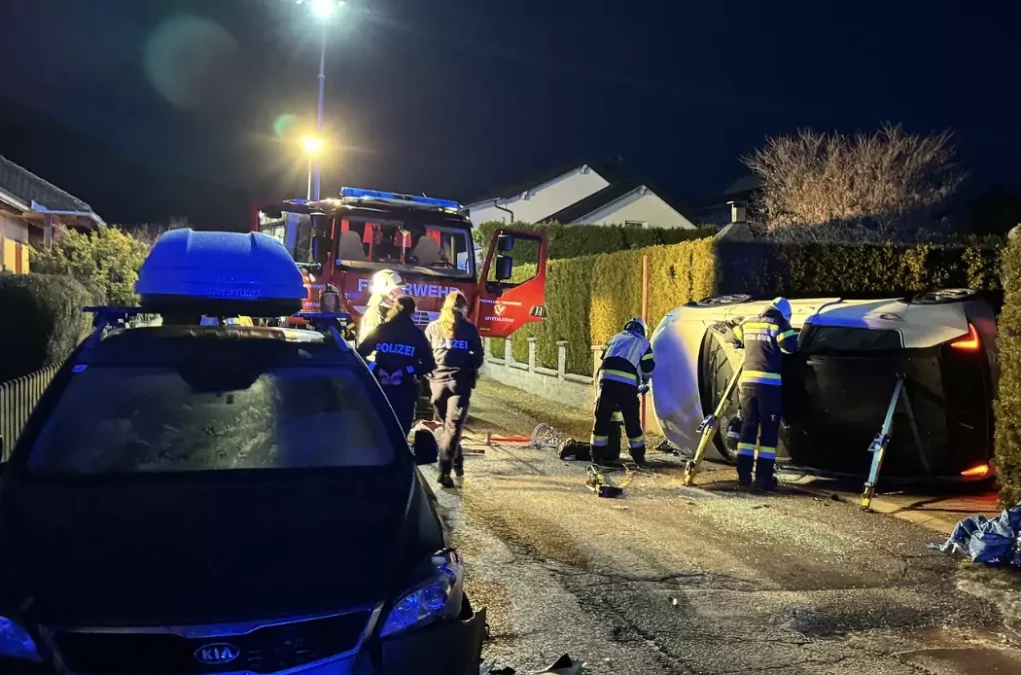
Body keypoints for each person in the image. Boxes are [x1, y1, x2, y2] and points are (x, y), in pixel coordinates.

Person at [731, 297, 798, 490]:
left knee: (748, 426)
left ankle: (743, 475)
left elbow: (732, 338)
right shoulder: (779, 323)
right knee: (768, 432)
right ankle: (763, 477)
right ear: (785, 314)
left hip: (747, 384)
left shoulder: (749, 322)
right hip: (768, 387)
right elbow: (790, 346)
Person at [425, 291, 484, 487]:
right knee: (452, 427)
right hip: (460, 383)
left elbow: (424, 354)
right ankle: (450, 465)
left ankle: (447, 468)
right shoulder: (469, 329)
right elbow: (478, 356)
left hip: (437, 384)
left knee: (449, 426)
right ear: (464, 308)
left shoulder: (433, 328)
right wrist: (469, 367)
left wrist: (429, 373)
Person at [357, 296, 436, 435]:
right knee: (401, 431)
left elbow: (360, 353)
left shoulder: (382, 330)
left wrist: (375, 368)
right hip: (405, 391)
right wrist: (407, 371)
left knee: (379, 430)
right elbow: (429, 363)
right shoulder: (416, 335)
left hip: (381, 388)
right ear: (413, 312)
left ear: (395, 309)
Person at [590, 317, 655, 466]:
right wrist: (644, 382)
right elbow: (648, 367)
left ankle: (596, 456)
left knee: (602, 418)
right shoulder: (643, 343)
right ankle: (638, 458)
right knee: (631, 421)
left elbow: (605, 358)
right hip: (626, 385)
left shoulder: (615, 338)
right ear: (642, 331)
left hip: (605, 380)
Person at [357, 269, 406, 345]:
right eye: (397, 289)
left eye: (400, 289)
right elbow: (372, 343)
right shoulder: (374, 313)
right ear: (385, 291)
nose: (400, 293)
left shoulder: (394, 311)